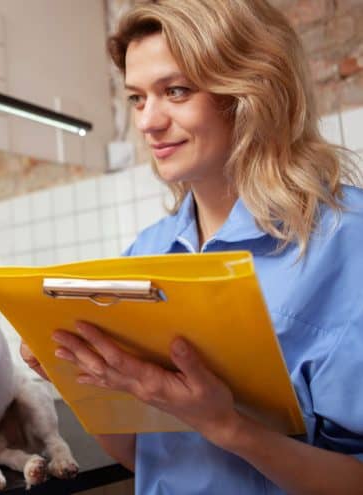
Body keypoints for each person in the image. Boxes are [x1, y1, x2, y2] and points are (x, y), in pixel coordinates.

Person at [20, 1, 363, 493]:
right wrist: (74, 377)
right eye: (138, 98)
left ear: (250, 92)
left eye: (175, 91)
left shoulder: (346, 240)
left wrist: (227, 426)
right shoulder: (146, 254)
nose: (147, 122)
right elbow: (142, 457)